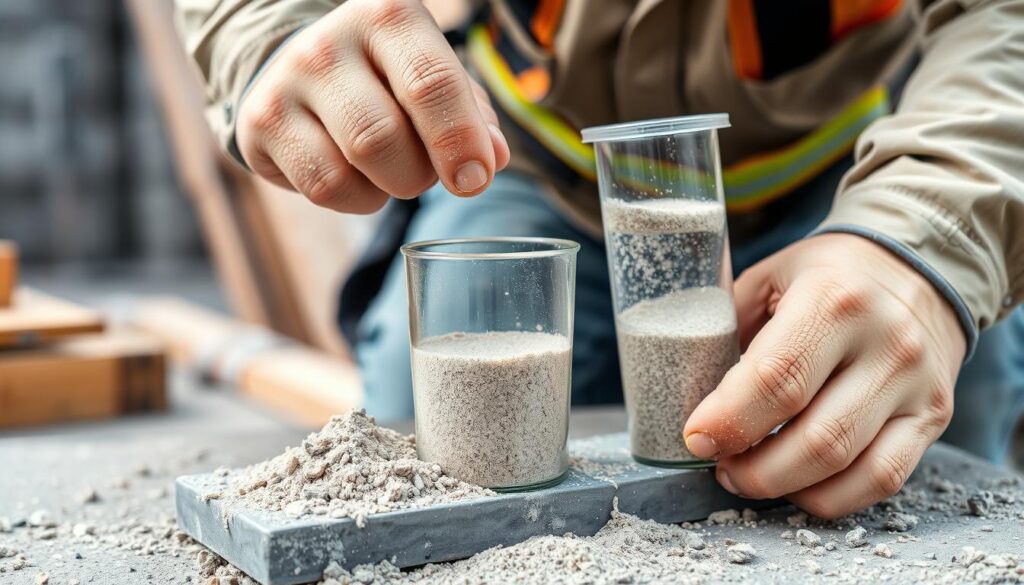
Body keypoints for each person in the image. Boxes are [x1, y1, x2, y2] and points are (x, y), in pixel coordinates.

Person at [176, 0, 1024, 518]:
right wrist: (272, 31)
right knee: (432, 444)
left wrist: (925, 239)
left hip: (849, 173)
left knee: (926, 445)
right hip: (528, 160)